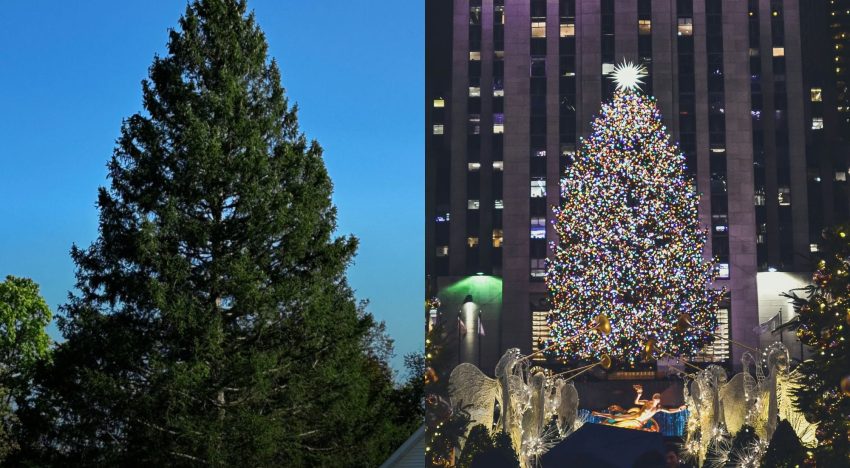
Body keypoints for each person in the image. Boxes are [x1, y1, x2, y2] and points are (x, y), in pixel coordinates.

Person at [592, 384, 687, 431]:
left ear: (659, 401)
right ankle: (597, 414)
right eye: (655, 398)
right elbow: (636, 402)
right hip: (635, 416)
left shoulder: (658, 408)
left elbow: (669, 411)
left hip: (639, 422)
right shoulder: (647, 403)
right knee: (615, 417)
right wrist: (639, 393)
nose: (656, 400)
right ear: (653, 398)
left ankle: (601, 419)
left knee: (619, 424)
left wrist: (679, 409)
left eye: (657, 399)